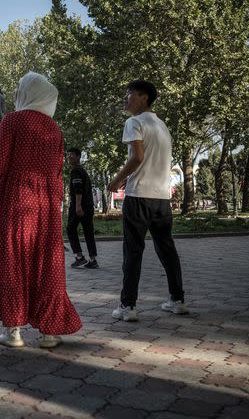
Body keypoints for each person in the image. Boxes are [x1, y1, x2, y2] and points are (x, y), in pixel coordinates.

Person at [0, 72, 82, 348]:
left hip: (18, 200)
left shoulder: (13, 121)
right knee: (46, 262)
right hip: (47, 205)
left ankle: (13, 330)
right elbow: (56, 171)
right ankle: (50, 331)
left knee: (15, 257)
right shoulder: (54, 129)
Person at [108, 80, 188, 322]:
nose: (125, 99)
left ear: (144, 97)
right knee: (167, 250)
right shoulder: (162, 126)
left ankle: (127, 306)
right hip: (162, 198)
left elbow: (137, 156)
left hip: (140, 195)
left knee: (133, 251)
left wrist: (117, 180)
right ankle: (177, 300)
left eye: (129, 94)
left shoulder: (134, 122)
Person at [66, 148, 99, 268]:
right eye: (68, 155)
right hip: (89, 205)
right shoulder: (82, 170)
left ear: (79, 156)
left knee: (70, 229)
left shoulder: (76, 171)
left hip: (80, 206)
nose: (69, 157)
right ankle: (93, 259)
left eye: (72, 155)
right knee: (88, 232)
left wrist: (78, 206)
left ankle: (79, 257)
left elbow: (78, 189)